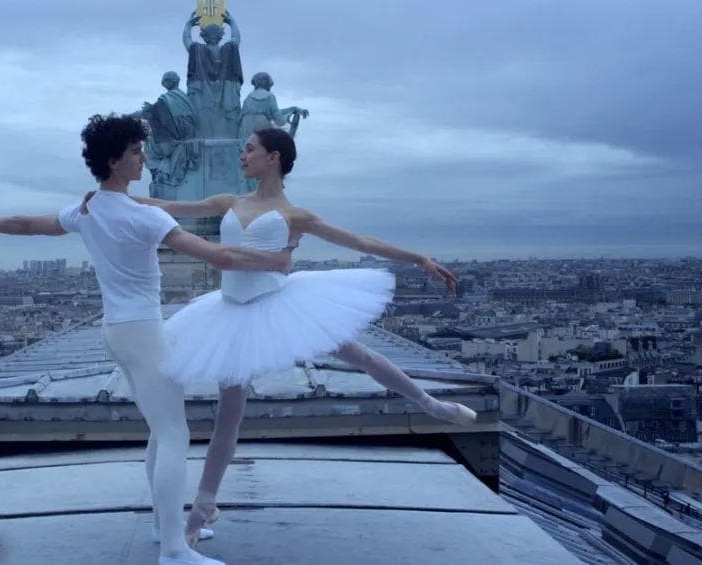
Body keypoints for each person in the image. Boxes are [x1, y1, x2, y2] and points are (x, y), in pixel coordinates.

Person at [102, 127, 478, 545]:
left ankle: (431, 404)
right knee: (229, 417)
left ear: (273, 157)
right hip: (231, 312)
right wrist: (108, 199)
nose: (242, 155)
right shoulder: (228, 202)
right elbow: (166, 205)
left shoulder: (296, 216)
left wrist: (419, 258)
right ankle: (197, 515)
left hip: (278, 305)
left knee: (359, 356)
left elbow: (359, 241)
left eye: (249, 149)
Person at [0, 115, 291, 565]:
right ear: (114, 161)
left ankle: (161, 526)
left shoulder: (87, 210)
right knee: (174, 435)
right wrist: (273, 261)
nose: (144, 159)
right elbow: (219, 256)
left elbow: (28, 224)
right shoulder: (144, 216)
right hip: (144, 331)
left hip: (117, 332)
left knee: (159, 428)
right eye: (135, 152)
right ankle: (173, 548)